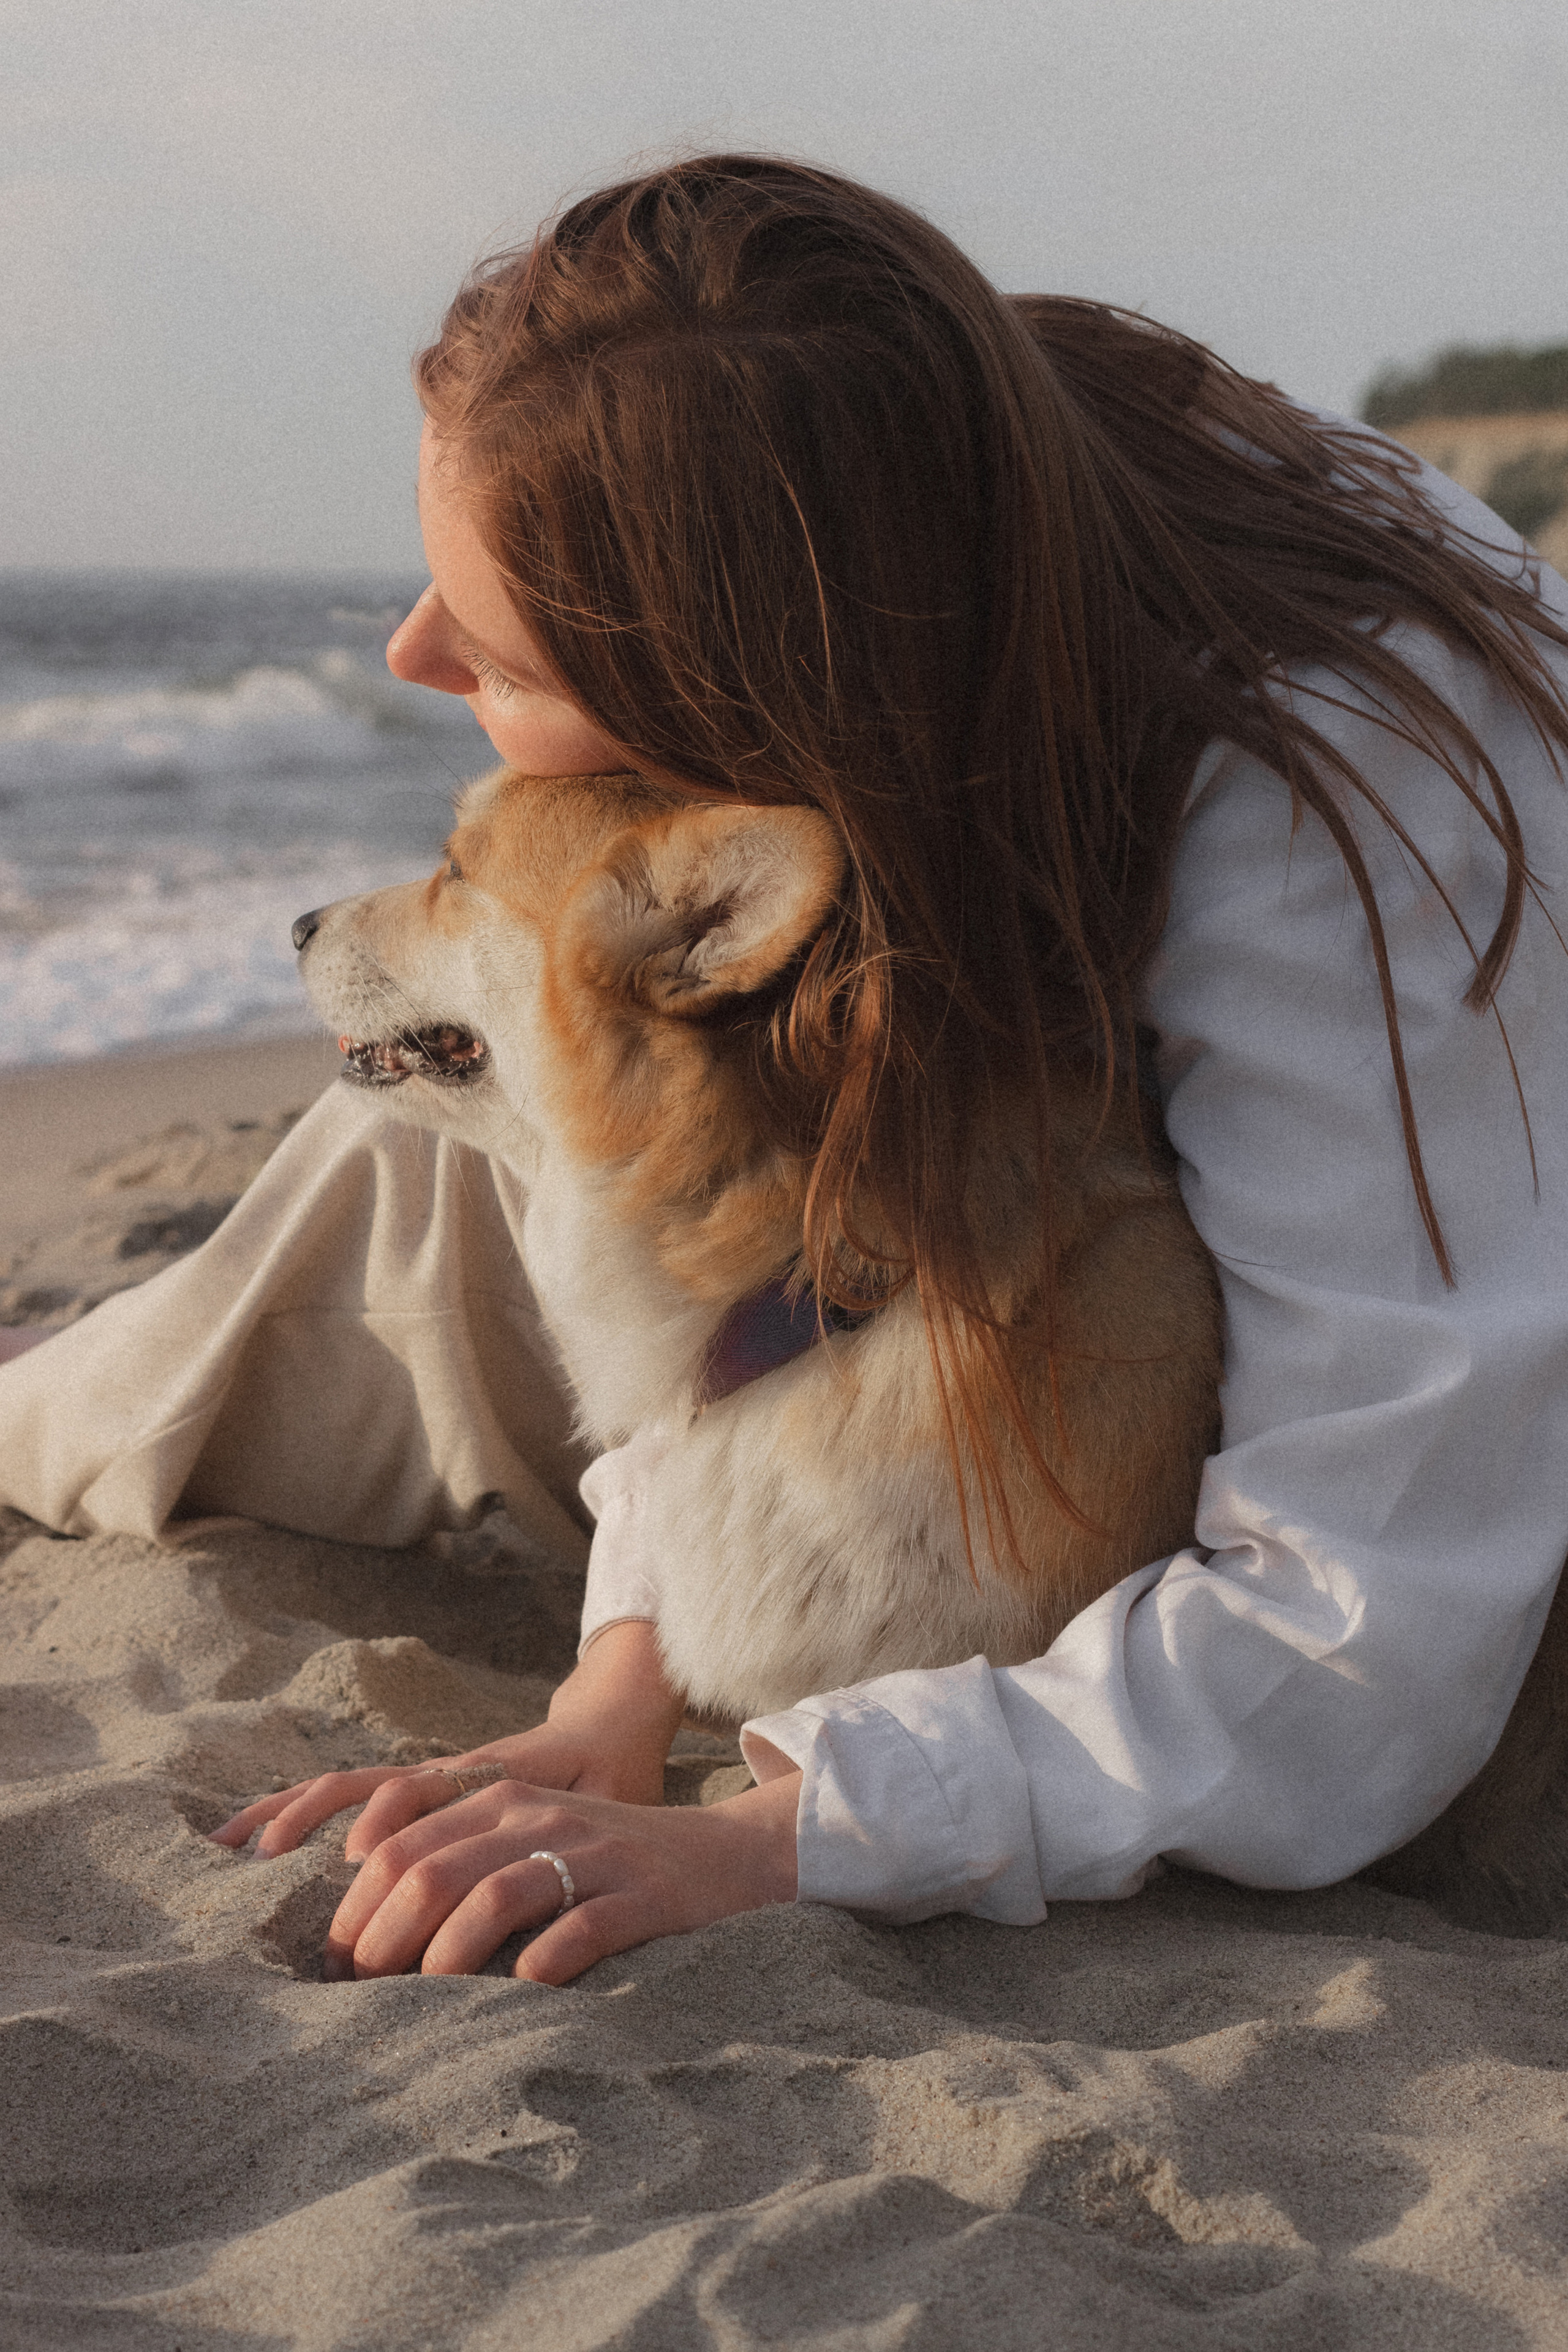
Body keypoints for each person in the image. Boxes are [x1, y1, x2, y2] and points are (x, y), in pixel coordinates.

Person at [5, 155, 1568, 1989]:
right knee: (388, 1166)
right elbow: (750, 1234)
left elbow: (1360, 1641)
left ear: (741, 687)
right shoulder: (906, 472)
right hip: (871, 1308)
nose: (408, 653)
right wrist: (624, 1673)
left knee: (409, 1187)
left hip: (1258, 1353)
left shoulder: (1344, 844)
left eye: (494, 650)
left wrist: (775, 1835)